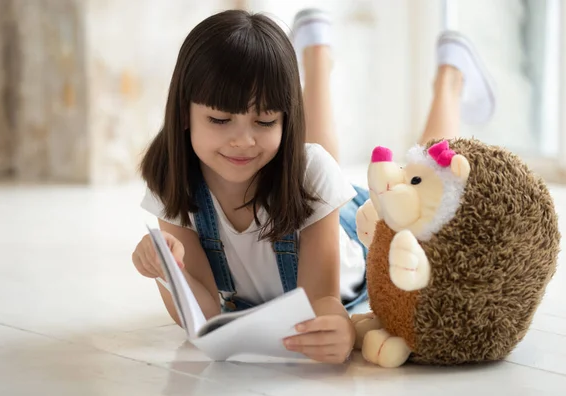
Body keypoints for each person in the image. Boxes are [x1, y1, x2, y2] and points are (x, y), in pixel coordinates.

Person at [131, 8, 495, 364]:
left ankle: (450, 77)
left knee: (425, 182)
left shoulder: (311, 171)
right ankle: (317, 52)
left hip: (359, 233)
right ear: (183, 113)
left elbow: (323, 300)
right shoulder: (174, 185)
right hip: (308, 194)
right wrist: (167, 269)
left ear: (286, 119)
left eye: (265, 120)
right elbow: (205, 315)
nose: (243, 140)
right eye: (220, 119)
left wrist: (338, 327)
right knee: (310, 164)